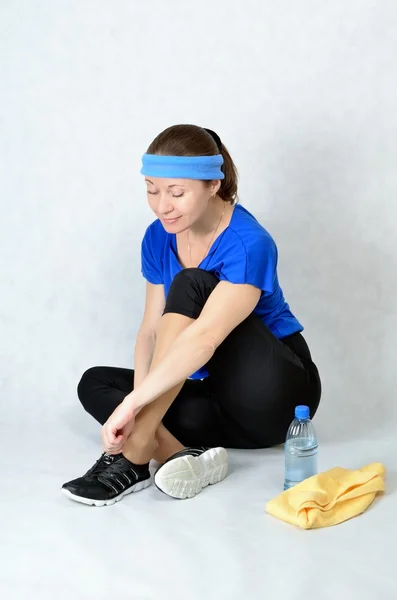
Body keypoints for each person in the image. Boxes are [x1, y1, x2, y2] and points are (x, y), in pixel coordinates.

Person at [62, 124, 321, 506]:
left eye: (176, 193)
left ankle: (133, 457)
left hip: (274, 392)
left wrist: (133, 408)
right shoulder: (157, 237)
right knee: (96, 383)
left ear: (213, 186)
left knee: (192, 283)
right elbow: (151, 331)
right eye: (151, 189)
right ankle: (182, 456)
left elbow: (204, 338)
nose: (161, 205)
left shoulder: (250, 242)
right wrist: (135, 395)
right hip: (220, 405)